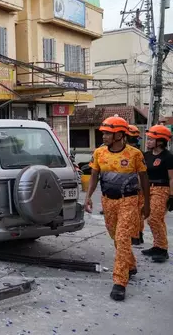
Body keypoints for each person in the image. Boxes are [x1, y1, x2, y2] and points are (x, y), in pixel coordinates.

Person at [84, 115, 150, 301]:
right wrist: (88, 197)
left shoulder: (135, 154)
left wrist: (147, 203)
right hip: (108, 201)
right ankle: (130, 264)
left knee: (122, 238)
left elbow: (144, 179)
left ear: (120, 135)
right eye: (103, 133)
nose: (104, 136)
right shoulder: (99, 153)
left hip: (128, 201)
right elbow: (95, 176)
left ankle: (120, 281)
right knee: (115, 236)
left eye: (108, 133)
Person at [141, 125, 173, 263]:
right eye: (148, 139)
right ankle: (157, 245)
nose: (148, 142)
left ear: (160, 141)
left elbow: (172, 178)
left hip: (162, 189)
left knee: (154, 218)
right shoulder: (146, 155)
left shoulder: (168, 157)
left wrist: (172, 196)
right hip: (147, 189)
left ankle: (162, 249)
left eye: (151, 139)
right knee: (150, 218)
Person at [127, 125, 145, 245]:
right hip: (132, 187)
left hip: (135, 187)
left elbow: (141, 172)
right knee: (136, 213)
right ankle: (137, 234)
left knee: (136, 213)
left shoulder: (136, 153)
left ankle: (136, 235)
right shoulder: (138, 152)